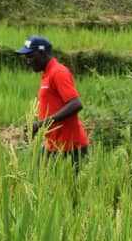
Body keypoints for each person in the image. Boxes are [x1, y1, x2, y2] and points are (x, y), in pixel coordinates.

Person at [17, 35, 89, 168]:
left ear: (41, 53)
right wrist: (37, 127)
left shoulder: (58, 72)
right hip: (53, 145)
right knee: (38, 179)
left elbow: (76, 103)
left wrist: (40, 124)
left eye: (30, 56)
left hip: (71, 148)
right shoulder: (47, 74)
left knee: (72, 188)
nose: (27, 61)